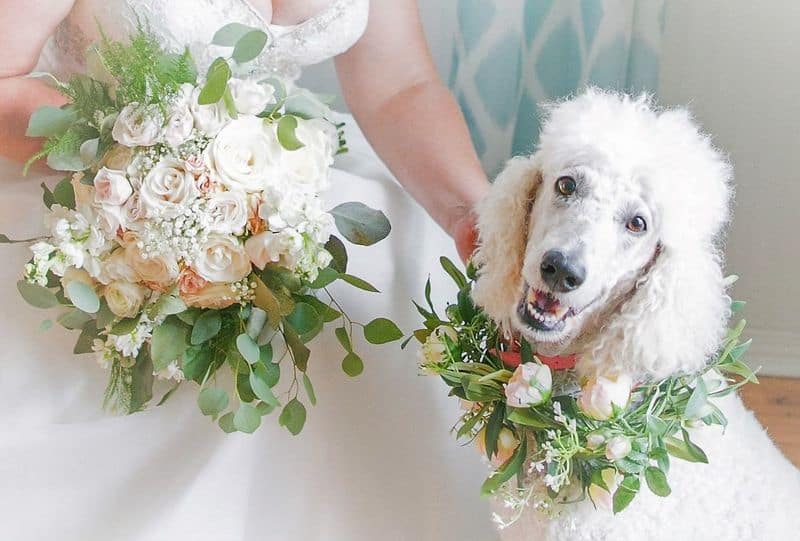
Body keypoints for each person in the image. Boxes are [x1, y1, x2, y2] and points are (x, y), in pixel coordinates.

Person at [0, 1, 497, 540]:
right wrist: (159, 161)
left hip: (274, 190)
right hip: (79, 190)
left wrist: (476, 216)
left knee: (385, 334)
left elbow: (400, 85)